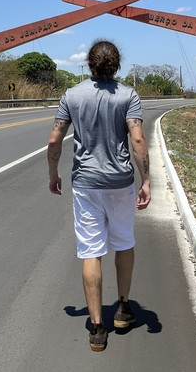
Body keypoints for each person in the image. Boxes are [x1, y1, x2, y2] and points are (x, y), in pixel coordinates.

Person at [47, 40, 151, 352]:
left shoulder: (72, 95)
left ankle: (96, 325)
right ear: (116, 65)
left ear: (90, 64)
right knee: (124, 242)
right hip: (120, 183)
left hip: (86, 184)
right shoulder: (127, 95)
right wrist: (146, 180)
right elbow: (138, 138)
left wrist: (53, 173)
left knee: (91, 251)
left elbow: (55, 139)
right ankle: (122, 308)